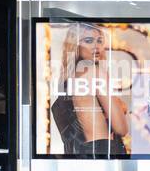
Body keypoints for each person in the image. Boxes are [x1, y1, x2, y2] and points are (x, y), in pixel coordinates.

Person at [49, 22, 129, 157]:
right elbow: (121, 128)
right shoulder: (96, 73)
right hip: (102, 157)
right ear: (75, 44)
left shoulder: (68, 81)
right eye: (88, 41)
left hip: (77, 161)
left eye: (99, 41)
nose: (96, 46)